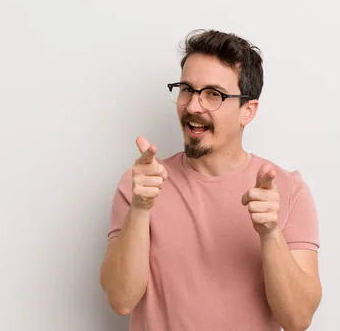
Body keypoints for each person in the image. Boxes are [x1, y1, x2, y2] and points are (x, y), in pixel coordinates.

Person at [100, 29, 322, 331]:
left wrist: (270, 233)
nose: (193, 106)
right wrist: (140, 208)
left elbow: (297, 320)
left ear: (248, 110)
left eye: (213, 95)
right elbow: (121, 299)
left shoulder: (288, 190)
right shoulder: (142, 184)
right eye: (187, 89)